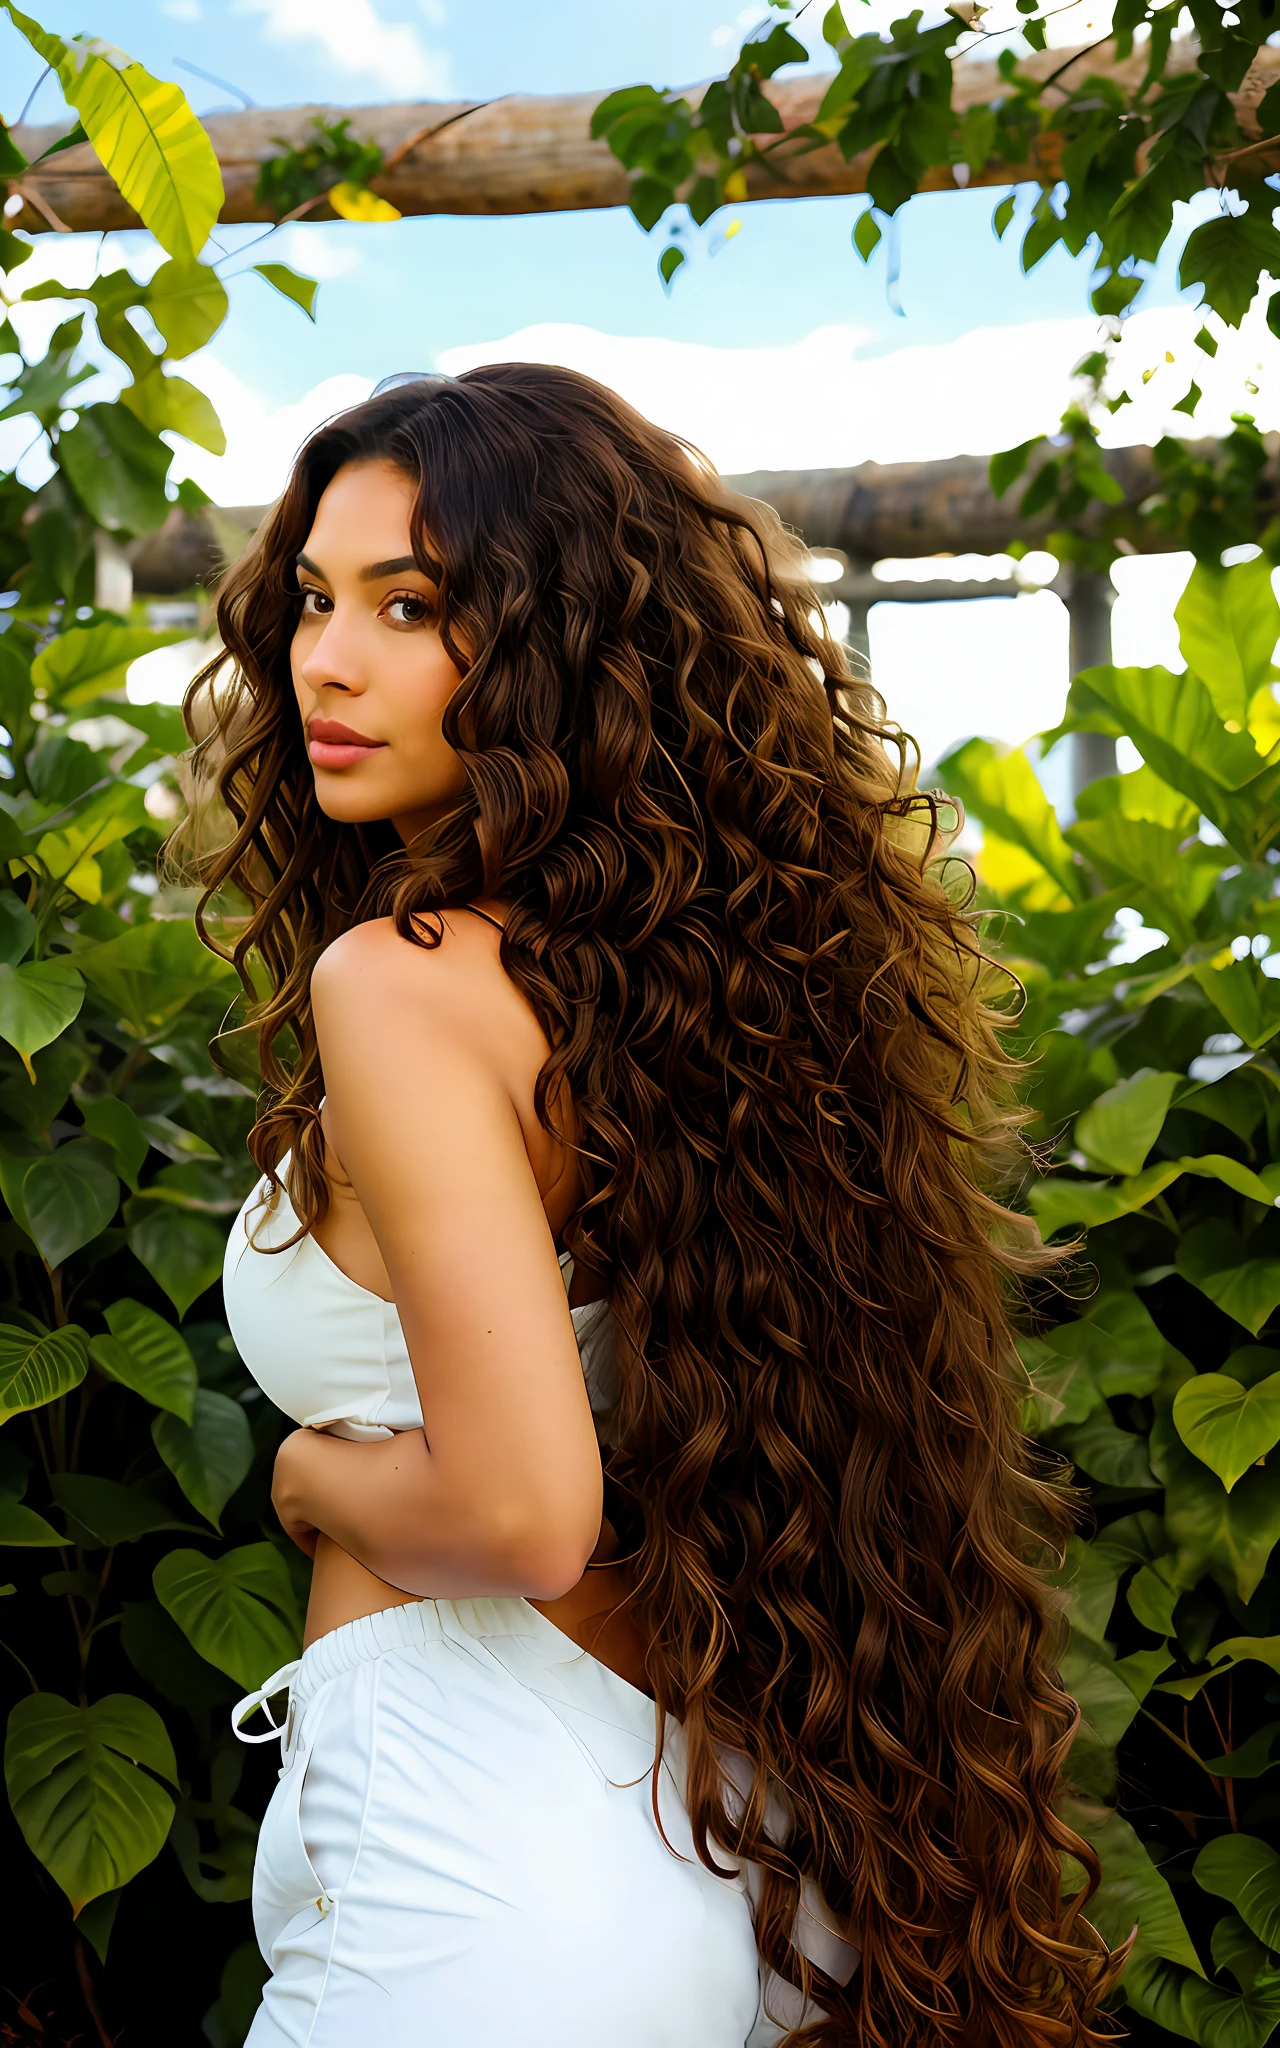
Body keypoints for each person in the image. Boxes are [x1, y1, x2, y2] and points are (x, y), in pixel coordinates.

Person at [185, 364, 1118, 2047]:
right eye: (316, 598)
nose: (325, 658)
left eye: (413, 607)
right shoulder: (688, 1002)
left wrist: (307, 1469)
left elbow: (527, 1512)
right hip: (721, 1832)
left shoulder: (400, 988)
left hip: (480, 1863)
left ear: (558, 643)